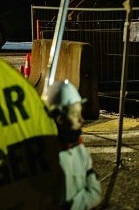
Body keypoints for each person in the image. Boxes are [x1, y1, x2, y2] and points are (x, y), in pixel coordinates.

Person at [43, 80, 101, 210]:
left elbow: (96, 194)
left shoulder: (79, 148)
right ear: (60, 119)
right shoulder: (46, 158)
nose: (82, 120)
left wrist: (72, 205)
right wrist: (84, 199)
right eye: (75, 114)